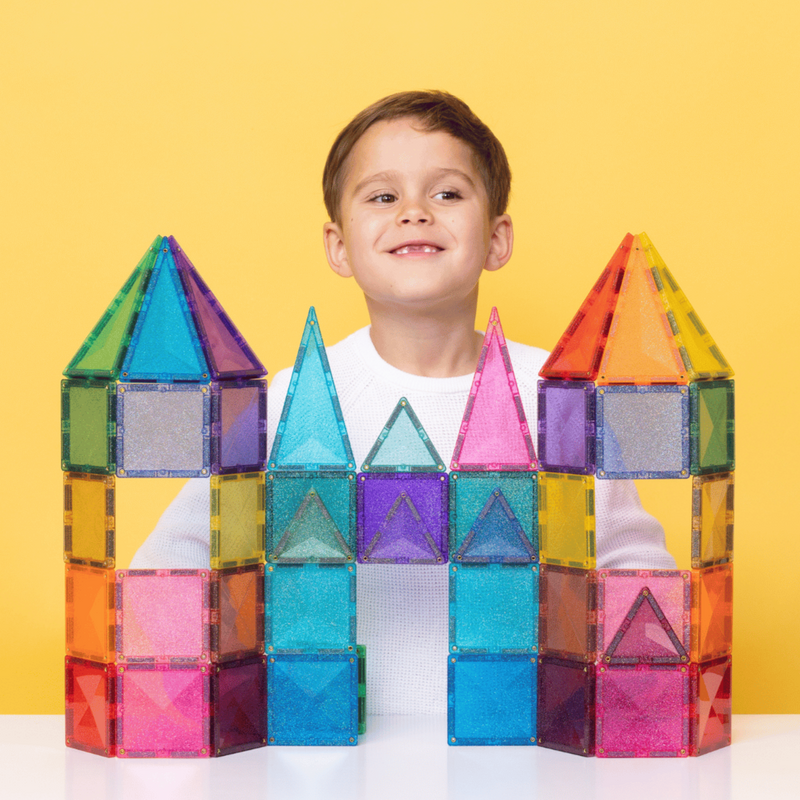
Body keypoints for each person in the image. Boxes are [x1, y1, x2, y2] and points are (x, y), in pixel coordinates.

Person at [131, 90, 675, 714]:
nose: (415, 212)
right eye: (383, 196)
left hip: (520, 748)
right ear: (339, 245)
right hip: (321, 754)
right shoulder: (284, 405)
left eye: (447, 193)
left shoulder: (561, 400)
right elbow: (171, 564)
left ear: (497, 238)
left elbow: (633, 568)